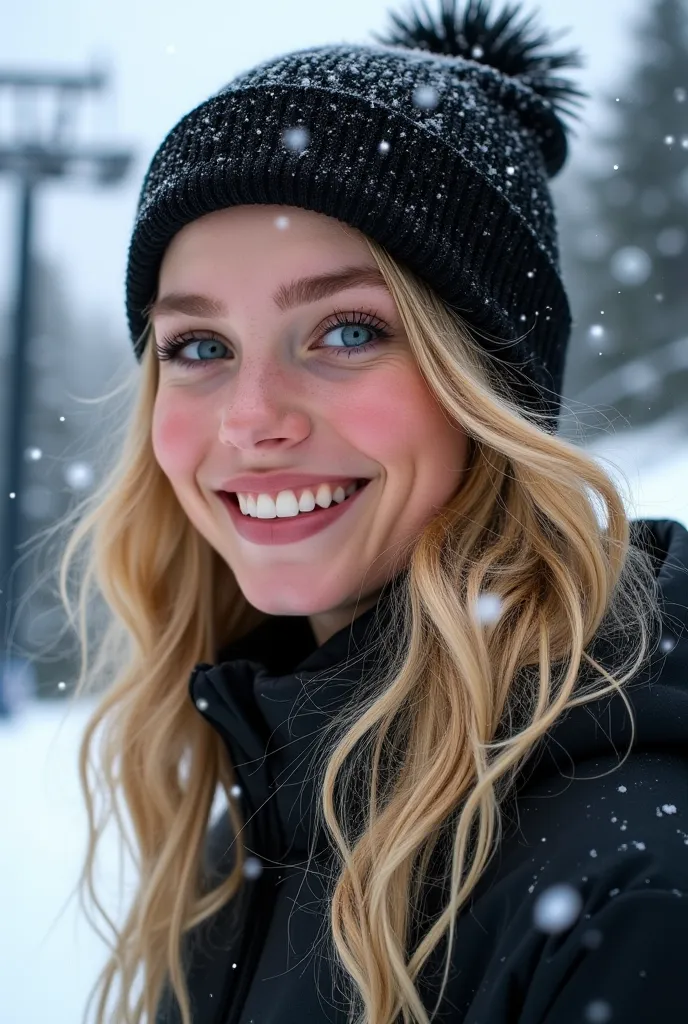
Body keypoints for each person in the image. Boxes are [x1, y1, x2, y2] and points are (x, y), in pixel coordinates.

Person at [63, 1, 688, 1022]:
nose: (252, 417)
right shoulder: (267, 793)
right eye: (199, 346)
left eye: (346, 331)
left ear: (486, 388)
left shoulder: (631, 887)